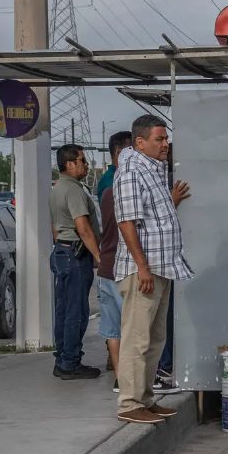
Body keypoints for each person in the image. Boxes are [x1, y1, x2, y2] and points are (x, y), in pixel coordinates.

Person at [114, 114, 192, 425]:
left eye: (166, 138)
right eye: (159, 139)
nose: (165, 144)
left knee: (155, 338)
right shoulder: (131, 172)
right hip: (143, 271)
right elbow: (126, 222)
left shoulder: (152, 171)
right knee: (137, 338)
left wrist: (171, 202)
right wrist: (142, 267)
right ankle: (130, 403)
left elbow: (152, 218)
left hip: (161, 266)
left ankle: (145, 398)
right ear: (140, 142)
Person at [48, 144, 101, 380]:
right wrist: (99, 256)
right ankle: (70, 363)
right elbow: (83, 228)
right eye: (82, 160)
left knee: (64, 310)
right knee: (76, 312)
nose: (86, 164)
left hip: (63, 251)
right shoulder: (73, 190)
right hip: (75, 255)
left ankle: (62, 358)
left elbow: (55, 228)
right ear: (70, 164)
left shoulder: (58, 187)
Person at [97, 130, 132, 391]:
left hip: (105, 267)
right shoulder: (129, 192)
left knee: (112, 328)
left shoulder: (107, 192)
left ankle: (120, 376)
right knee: (133, 326)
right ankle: (131, 378)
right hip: (124, 268)